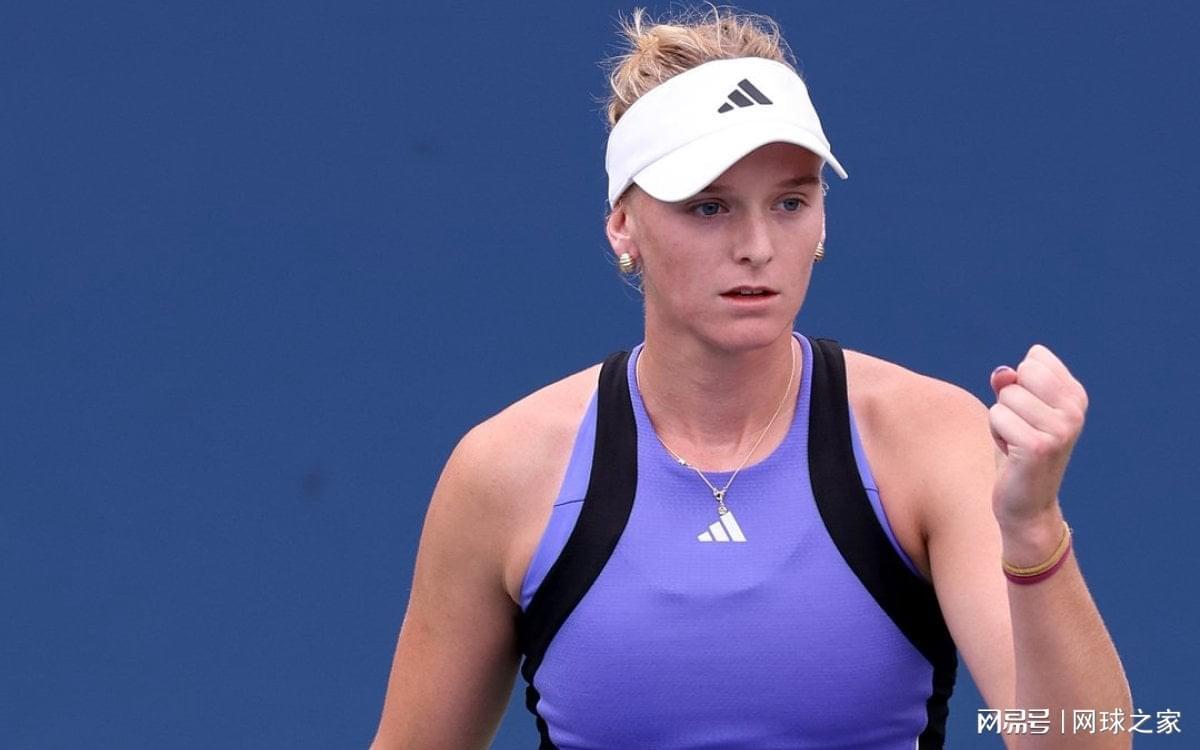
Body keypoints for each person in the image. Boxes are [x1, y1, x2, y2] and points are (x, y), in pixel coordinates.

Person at [370, 6, 1132, 749]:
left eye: (791, 202)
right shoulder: (504, 470)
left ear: (823, 220)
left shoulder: (931, 438)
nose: (758, 246)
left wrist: (1033, 530)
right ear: (623, 225)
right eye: (709, 208)